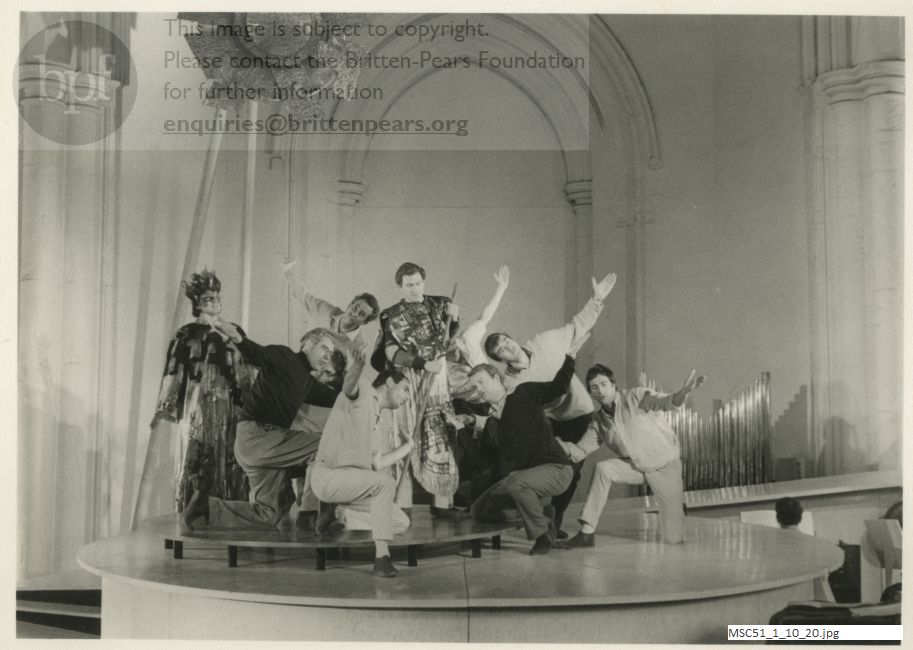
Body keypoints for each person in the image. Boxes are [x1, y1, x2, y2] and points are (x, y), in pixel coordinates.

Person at [484, 272, 617, 536]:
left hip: (580, 414)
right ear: (500, 359)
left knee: (574, 472)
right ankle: (541, 520)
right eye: (500, 350)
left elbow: (578, 325)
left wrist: (597, 298)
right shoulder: (512, 383)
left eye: (506, 341)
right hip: (549, 423)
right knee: (552, 472)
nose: (507, 348)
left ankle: (553, 522)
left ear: (512, 339)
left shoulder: (546, 341)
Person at [180, 324, 342, 531]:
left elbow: (337, 398)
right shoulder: (285, 357)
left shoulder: (307, 383)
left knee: (268, 515)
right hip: (258, 437)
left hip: (259, 446)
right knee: (326, 447)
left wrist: (371, 394)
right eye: (324, 349)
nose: (328, 356)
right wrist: (239, 340)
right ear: (309, 343)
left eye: (331, 353)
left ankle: (207, 507)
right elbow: (258, 355)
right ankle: (310, 515)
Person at [561, 364, 705, 548]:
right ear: (591, 393)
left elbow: (665, 402)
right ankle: (587, 533)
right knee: (603, 469)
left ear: (614, 385)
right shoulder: (598, 421)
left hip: (665, 466)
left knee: (674, 538)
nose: (600, 390)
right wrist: (555, 445)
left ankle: (676, 507)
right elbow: (580, 451)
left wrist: (683, 392)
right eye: (595, 387)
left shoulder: (636, 396)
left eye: (604, 384)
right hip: (638, 467)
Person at [148, 270, 253, 518]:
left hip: (231, 406)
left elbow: (246, 370)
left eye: (217, 296)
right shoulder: (186, 334)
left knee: (231, 460)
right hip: (198, 406)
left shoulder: (234, 331)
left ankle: (230, 515)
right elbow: (173, 371)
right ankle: (193, 516)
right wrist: (165, 406)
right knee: (198, 459)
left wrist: (252, 406)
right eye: (207, 298)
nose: (215, 301)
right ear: (197, 303)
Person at [309, 347, 413, 577]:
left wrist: (407, 448)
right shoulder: (366, 390)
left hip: (354, 486)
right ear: (388, 383)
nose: (407, 396)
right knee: (385, 484)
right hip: (330, 477)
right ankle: (382, 558)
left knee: (399, 522)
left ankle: (340, 516)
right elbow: (350, 387)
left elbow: (376, 465)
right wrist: (356, 366)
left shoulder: (379, 419)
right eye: (405, 389)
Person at [458, 356, 577, 555]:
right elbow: (495, 427)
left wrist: (570, 359)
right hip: (523, 476)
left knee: (516, 484)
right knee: (480, 510)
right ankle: (543, 517)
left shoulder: (524, 393)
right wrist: (468, 421)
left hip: (556, 469)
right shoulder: (495, 416)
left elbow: (558, 387)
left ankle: (542, 537)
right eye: (474, 387)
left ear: (496, 377)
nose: (479, 390)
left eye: (481, 382)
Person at [372, 262, 464, 518]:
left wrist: (454, 319)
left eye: (418, 283)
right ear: (400, 286)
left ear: (424, 281)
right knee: (404, 439)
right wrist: (423, 363)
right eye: (409, 285)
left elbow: (447, 338)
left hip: (439, 382)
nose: (414, 289)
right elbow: (390, 352)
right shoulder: (391, 315)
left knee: (439, 437)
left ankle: (443, 505)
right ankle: (402, 505)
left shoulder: (441, 304)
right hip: (408, 381)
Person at [281, 256, 380, 351]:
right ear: (349, 305)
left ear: (364, 322)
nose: (354, 313)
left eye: (361, 314)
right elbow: (303, 296)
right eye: (355, 307)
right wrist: (287, 271)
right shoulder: (327, 311)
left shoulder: (358, 346)